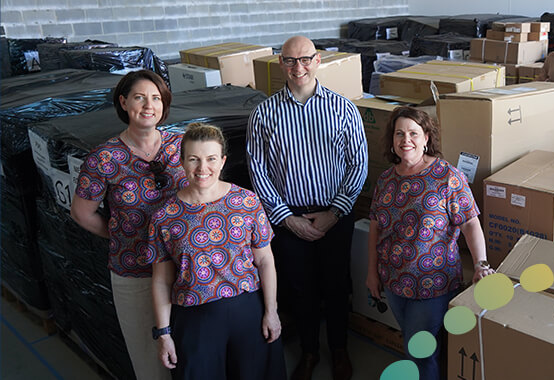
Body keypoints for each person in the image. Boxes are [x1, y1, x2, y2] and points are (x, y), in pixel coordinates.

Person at [246, 36, 368, 380]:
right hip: (288, 218)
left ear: (317, 61)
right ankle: (310, 352)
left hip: (335, 213)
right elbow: (259, 169)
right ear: (280, 63)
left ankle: (339, 349)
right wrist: (286, 218)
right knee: (300, 288)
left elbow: (357, 164)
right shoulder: (265, 113)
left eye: (305, 59)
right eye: (289, 61)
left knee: (336, 284)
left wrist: (335, 213)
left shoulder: (343, 108)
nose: (297, 68)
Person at [366, 106, 495, 380]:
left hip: (433, 285)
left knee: (419, 351)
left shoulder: (447, 177)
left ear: (426, 137)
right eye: (399, 133)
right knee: (416, 346)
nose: (406, 140)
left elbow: (470, 222)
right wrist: (371, 272)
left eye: (413, 133)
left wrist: (481, 264)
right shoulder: (387, 179)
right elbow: (376, 227)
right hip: (393, 281)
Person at [149, 123, 286, 379]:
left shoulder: (246, 202)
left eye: (211, 159)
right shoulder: (164, 217)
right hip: (194, 320)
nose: (203, 168)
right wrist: (164, 332)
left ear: (223, 161)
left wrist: (271, 311)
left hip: (248, 312)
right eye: (194, 159)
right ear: (182, 162)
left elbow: (265, 260)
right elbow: (161, 280)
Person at [70, 70, 182, 380]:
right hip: (136, 271)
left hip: (186, 267)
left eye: (156, 98)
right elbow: (82, 213)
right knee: (151, 359)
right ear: (123, 102)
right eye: (139, 97)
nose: (149, 105)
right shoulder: (104, 158)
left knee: (191, 350)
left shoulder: (180, 145)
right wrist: (120, 234)